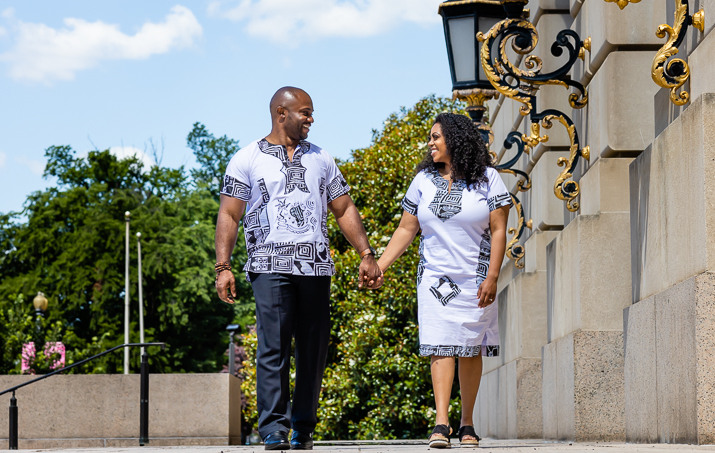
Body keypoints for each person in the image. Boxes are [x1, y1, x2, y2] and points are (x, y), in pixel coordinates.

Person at [214, 86, 382, 451]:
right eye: (304, 112)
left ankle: (303, 426)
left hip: (316, 267)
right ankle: (273, 428)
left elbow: (343, 207)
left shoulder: (321, 158)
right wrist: (223, 266)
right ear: (280, 113)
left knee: (312, 349)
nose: (310, 119)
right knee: (273, 347)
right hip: (268, 264)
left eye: (310, 113)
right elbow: (229, 213)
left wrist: (366, 253)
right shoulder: (246, 158)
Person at [370, 112, 511, 448]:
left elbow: (499, 230)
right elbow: (407, 228)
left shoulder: (489, 179)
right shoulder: (422, 181)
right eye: (430, 138)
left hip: (475, 278)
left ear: (455, 139)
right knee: (440, 345)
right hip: (434, 278)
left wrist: (493, 277)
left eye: (436, 137)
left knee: (470, 346)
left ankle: (467, 424)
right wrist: (380, 266)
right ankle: (441, 423)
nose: (430, 143)